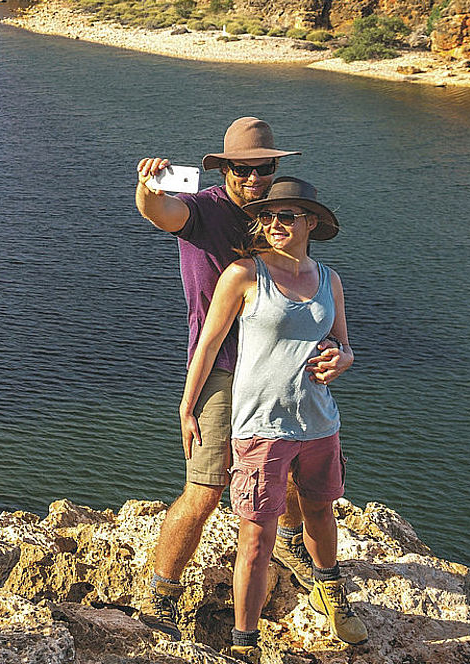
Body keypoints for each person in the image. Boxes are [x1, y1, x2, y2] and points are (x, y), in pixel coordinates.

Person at [132, 117, 320, 638]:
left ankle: (292, 546)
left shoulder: (282, 213)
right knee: (207, 488)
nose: (253, 179)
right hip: (220, 370)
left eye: (263, 169)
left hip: (281, 369)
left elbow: (305, 292)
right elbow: (161, 212)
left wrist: (329, 351)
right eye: (243, 169)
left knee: (293, 477)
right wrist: (148, 188)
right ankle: (162, 591)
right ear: (225, 168)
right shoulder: (204, 209)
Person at [181, 177, 366, 658]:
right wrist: (188, 405)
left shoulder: (330, 280)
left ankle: (332, 598)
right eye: (267, 216)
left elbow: (344, 344)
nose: (275, 224)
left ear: (310, 222)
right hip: (261, 426)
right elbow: (208, 343)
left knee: (321, 514)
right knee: (256, 538)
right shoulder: (243, 275)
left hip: (320, 422)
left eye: (287, 216)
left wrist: (344, 359)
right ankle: (246, 643)